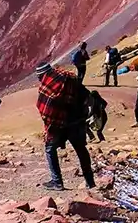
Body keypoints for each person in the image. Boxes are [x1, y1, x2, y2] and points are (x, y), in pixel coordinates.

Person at [35, 62, 95, 192]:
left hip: (58, 125)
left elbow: (45, 110)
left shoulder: (48, 86)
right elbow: (86, 95)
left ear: (43, 74)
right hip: (77, 122)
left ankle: (57, 182)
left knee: (50, 149)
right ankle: (90, 182)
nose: (40, 80)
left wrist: (50, 122)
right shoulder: (70, 77)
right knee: (81, 150)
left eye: (39, 77)